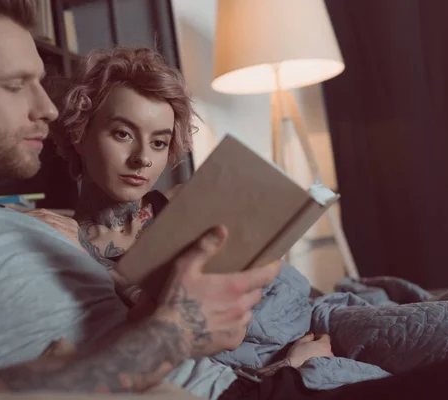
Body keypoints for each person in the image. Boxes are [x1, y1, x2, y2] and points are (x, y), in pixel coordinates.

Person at [0, 1, 448, 399]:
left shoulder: (20, 227)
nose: (48, 107)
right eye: (16, 86)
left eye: (41, 81)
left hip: (257, 378)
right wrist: (178, 328)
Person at [46, 45, 334, 372]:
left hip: (311, 317)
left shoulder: (188, 202)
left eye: (159, 142)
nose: (142, 157)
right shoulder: (65, 242)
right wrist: (289, 369)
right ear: (79, 134)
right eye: (123, 133)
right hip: (263, 368)